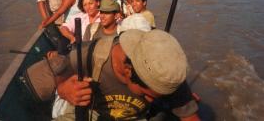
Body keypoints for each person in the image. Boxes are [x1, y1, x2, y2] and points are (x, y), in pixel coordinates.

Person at [55, 29, 200, 121]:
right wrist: (63, 89)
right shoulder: (87, 55)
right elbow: (57, 70)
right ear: (128, 71)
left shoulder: (169, 75)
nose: (151, 100)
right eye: (145, 94)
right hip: (92, 113)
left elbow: (190, 117)